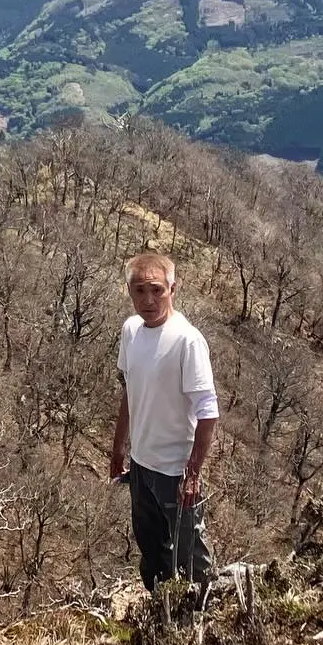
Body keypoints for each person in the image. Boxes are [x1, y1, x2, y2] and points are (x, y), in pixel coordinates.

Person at [110, 251, 218, 592]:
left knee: (190, 558)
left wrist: (193, 473)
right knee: (151, 552)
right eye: (139, 290)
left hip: (175, 472)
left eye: (157, 290)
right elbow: (130, 390)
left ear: (173, 288)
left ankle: (202, 620)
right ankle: (161, 618)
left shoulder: (187, 340)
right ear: (129, 291)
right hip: (142, 467)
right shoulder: (130, 331)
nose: (149, 299)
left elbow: (208, 411)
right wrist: (118, 450)